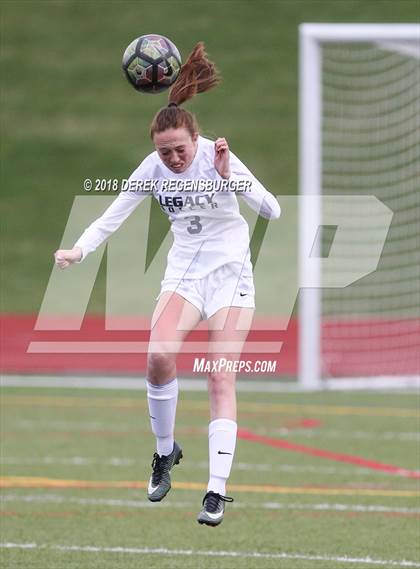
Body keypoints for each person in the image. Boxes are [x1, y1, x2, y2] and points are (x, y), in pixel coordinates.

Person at [54, 42, 280, 526]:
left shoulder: (219, 158)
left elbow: (272, 211)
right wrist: (79, 249)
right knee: (158, 356)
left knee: (219, 373)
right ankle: (165, 451)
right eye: (164, 151)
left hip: (231, 278)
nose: (173, 158)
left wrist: (229, 177)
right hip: (184, 274)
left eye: (179, 149)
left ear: (195, 139)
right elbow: (113, 215)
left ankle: (216, 491)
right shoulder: (153, 167)